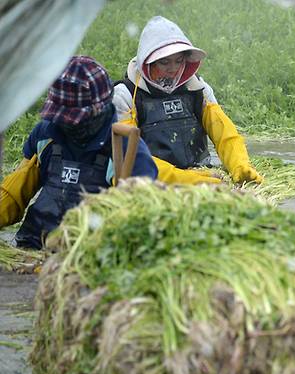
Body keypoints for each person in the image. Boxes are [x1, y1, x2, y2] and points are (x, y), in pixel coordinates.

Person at [0, 56, 158, 249]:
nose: (68, 124)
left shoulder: (124, 148)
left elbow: (140, 214)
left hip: (88, 251)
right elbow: (15, 191)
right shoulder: (46, 134)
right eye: (63, 117)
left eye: (75, 118)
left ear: (101, 108)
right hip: (33, 244)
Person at [113, 16, 262, 185]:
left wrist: (239, 165)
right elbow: (129, 156)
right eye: (164, 62)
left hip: (202, 173)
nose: (173, 69)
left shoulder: (198, 89)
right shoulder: (125, 95)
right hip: (152, 184)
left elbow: (224, 134)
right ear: (148, 62)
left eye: (179, 61)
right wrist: (186, 180)